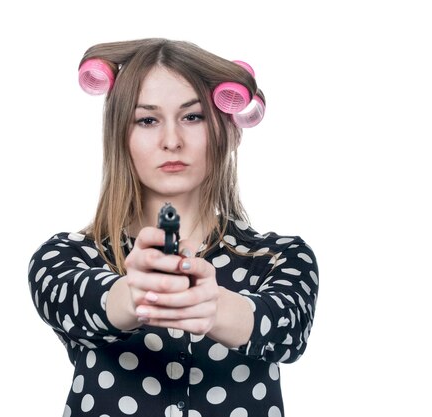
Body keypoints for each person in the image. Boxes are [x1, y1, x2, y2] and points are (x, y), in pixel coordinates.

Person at [28, 38, 319, 417]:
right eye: (147, 119)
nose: (171, 141)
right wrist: (134, 293)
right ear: (120, 135)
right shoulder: (65, 257)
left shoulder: (280, 258)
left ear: (229, 130)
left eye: (192, 116)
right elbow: (81, 300)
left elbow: (286, 331)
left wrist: (214, 307)